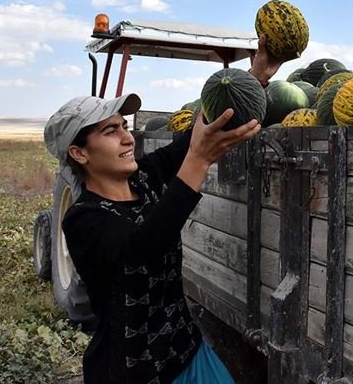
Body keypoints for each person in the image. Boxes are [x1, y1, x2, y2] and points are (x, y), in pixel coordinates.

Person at [43, 37, 281, 384]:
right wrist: (199, 160)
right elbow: (143, 247)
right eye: (111, 131)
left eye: (124, 126)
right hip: (137, 374)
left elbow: (194, 137)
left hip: (190, 351)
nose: (128, 138)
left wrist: (253, 79)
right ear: (79, 153)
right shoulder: (83, 220)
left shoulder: (143, 179)